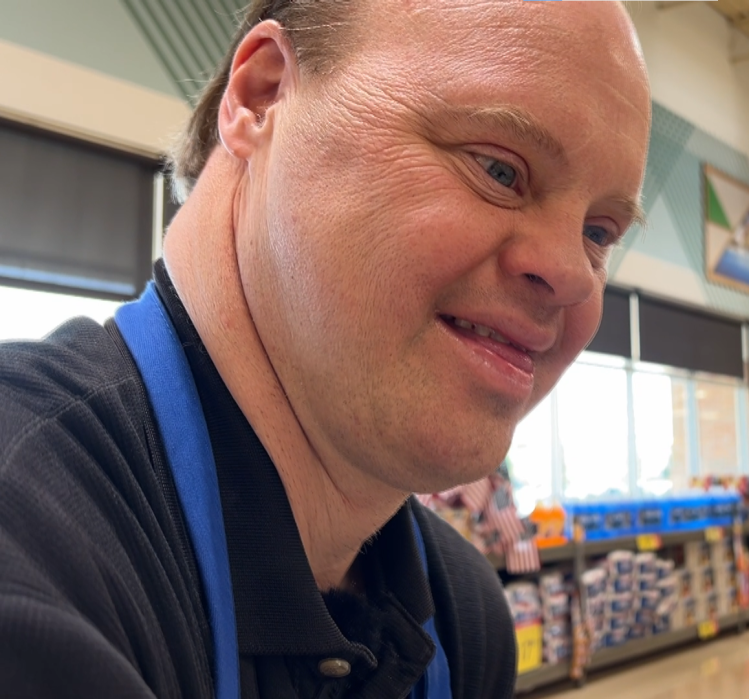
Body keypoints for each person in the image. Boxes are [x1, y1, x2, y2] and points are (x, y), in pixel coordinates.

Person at [0, 1, 650, 697]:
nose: (571, 274)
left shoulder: (463, 618)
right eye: (498, 169)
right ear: (263, 96)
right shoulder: (31, 541)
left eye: (600, 233)